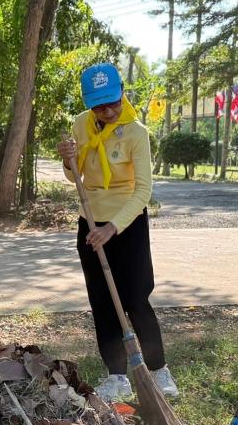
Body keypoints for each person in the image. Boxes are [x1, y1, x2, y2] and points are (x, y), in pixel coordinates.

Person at [57, 62, 178, 403]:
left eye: (112, 102)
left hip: (127, 224)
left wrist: (112, 228)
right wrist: (69, 160)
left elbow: (143, 191)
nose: (107, 111)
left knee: (136, 299)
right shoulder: (81, 124)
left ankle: (158, 370)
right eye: (99, 105)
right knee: (103, 303)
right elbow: (75, 177)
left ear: (123, 92)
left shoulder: (136, 133)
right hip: (91, 223)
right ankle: (117, 377)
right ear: (88, 103)